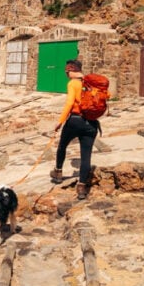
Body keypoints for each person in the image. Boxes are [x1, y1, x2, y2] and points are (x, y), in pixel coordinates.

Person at [49, 59, 98, 199]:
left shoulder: (73, 83)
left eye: (67, 71)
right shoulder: (91, 83)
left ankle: (58, 172)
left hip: (75, 121)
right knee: (86, 156)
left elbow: (70, 103)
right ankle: (82, 188)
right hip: (92, 123)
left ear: (71, 71)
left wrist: (60, 121)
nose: (66, 73)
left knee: (62, 145)